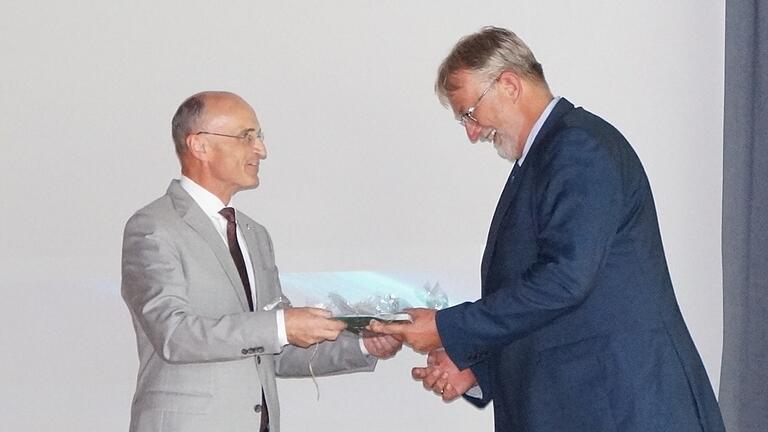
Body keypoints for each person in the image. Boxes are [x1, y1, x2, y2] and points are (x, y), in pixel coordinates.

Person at [371, 27, 725, 432]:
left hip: (622, 408)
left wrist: (446, 328)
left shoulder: (578, 148)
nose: (472, 134)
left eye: (470, 113)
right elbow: (553, 306)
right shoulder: (550, 155)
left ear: (509, 84)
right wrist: (479, 368)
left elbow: (564, 281)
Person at [122, 91, 401, 432]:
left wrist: (362, 344)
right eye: (246, 137)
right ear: (200, 146)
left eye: (259, 137)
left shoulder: (254, 234)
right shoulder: (153, 227)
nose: (261, 150)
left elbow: (272, 349)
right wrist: (283, 326)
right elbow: (174, 335)